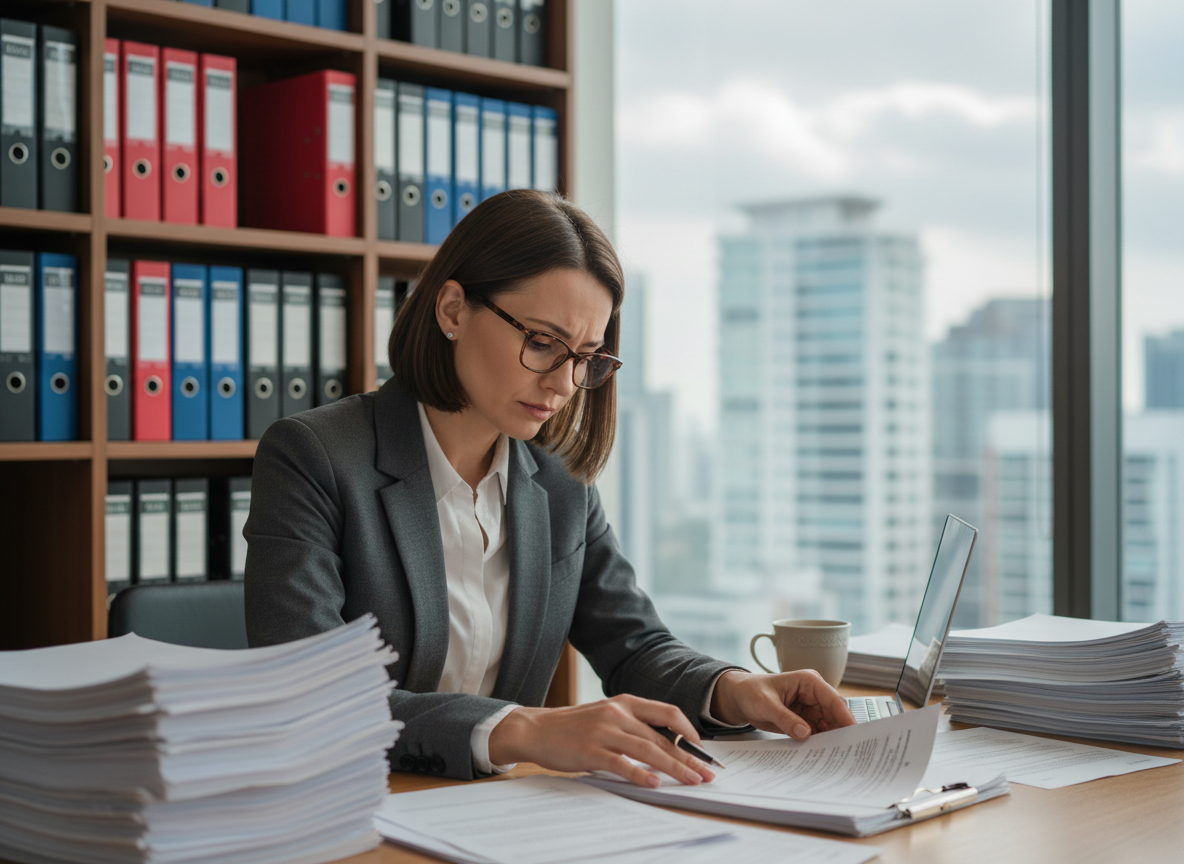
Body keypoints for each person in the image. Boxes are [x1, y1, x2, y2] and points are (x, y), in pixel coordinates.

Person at [244, 190, 855, 787]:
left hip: (499, 821)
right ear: (453, 310)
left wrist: (733, 689)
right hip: (348, 812)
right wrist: (524, 731)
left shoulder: (557, 480)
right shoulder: (314, 457)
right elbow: (311, 698)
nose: (564, 385)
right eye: (542, 342)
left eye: (586, 357)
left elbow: (633, 646)